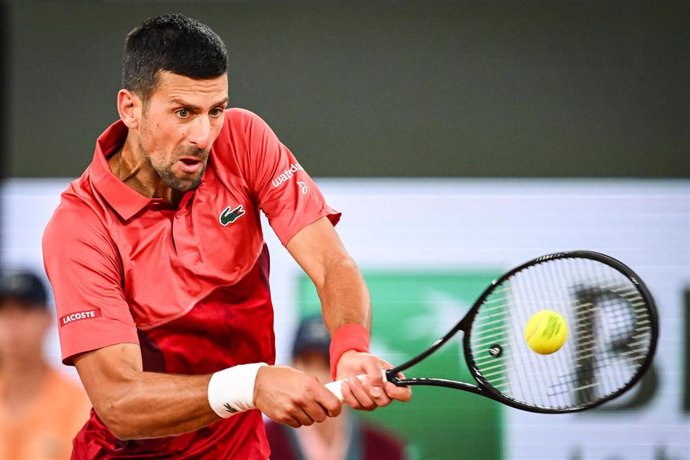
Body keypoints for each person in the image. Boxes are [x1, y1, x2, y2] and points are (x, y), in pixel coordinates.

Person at [42, 13, 411, 459]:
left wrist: (350, 347)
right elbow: (119, 403)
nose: (203, 135)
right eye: (183, 112)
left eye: (215, 110)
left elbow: (333, 263)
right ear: (130, 108)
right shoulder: (80, 228)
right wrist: (249, 384)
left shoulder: (242, 138)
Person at [266, 316, 408, 460]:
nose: (317, 377)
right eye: (306, 363)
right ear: (291, 366)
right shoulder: (264, 442)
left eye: (328, 364)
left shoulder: (386, 450)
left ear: (356, 372)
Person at [0, 270, 92, 460]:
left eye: (25, 310)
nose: (13, 323)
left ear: (48, 318)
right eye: (4, 312)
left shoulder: (78, 404)